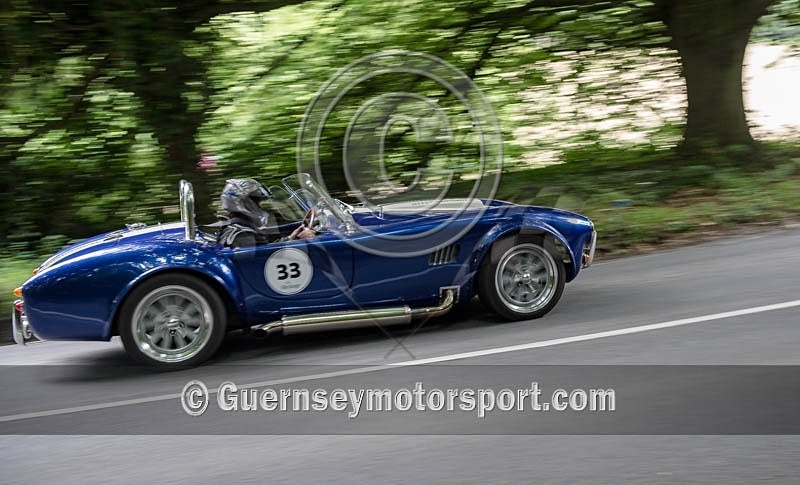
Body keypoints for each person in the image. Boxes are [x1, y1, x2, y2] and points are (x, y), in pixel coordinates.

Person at [215, 178, 316, 248]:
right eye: (257, 202)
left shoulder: (241, 227)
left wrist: (291, 237)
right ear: (244, 204)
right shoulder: (241, 234)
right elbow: (266, 255)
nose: (260, 208)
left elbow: (266, 244)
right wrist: (299, 239)